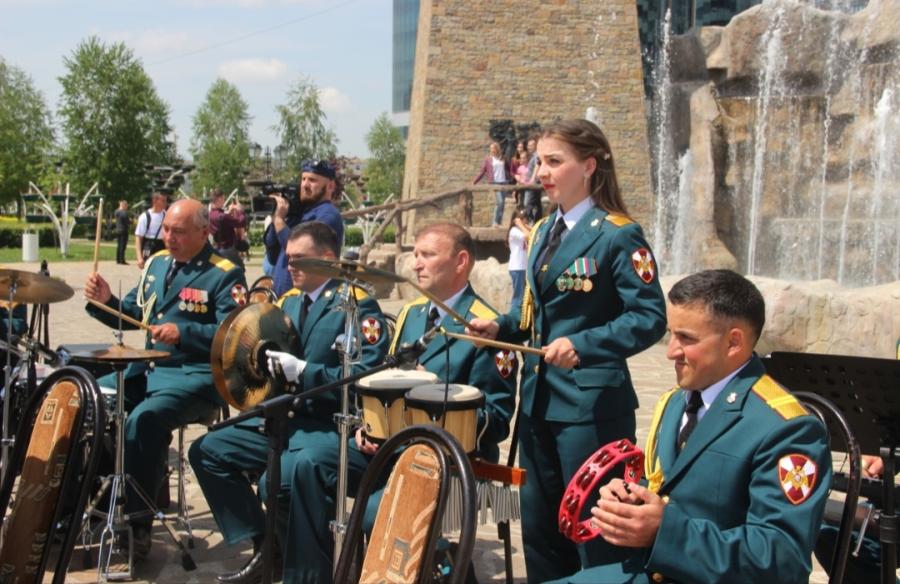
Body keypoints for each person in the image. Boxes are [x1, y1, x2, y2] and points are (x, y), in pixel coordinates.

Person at [467, 118, 667, 582]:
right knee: (540, 533)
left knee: (595, 534)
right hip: (538, 403)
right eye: (540, 162)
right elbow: (531, 311)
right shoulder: (541, 232)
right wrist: (499, 325)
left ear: (589, 166)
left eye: (554, 162)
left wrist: (583, 344)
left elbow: (650, 317)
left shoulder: (618, 234)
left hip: (590, 409)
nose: (541, 172)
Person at [548, 269, 832, 583]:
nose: (671, 352)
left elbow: (782, 560)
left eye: (686, 338)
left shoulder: (786, 429)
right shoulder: (675, 402)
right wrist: (632, 498)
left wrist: (662, 530)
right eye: (671, 335)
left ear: (733, 342)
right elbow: (672, 487)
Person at [281, 221, 516, 584]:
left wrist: (436, 393)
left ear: (460, 262)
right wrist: (366, 425)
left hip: (448, 460)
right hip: (389, 449)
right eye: (415, 254)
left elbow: (496, 419)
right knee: (306, 463)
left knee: (376, 511)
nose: (416, 264)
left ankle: (444, 565)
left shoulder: (486, 327)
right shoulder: (411, 315)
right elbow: (380, 385)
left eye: (428, 255)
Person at [189, 221, 390, 584]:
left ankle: (310, 574)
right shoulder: (288, 302)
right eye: (288, 257)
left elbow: (366, 377)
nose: (290, 265)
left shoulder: (356, 305)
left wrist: (306, 372)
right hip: (284, 418)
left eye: (299, 258)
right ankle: (268, 545)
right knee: (207, 450)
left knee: (285, 476)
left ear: (328, 258)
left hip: (326, 423)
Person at [84, 199, 247, 557]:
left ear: (204, 232)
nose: (169, 238)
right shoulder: (157, 263)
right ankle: (89, 505)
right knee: (89, 400)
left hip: (194, 378)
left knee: (144, 419)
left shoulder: (225, 273)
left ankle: (136, 524)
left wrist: (184, 333)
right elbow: (133, 313)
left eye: (179, 232)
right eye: (166, 230)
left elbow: (235, 335)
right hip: (146, 370)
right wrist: (106, 299)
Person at [264, 160, 345, 297]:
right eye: (303, 179)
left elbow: (300, 249)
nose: (305, 185)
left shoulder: (328, 215)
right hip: (283, 299)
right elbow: (272, 257)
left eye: (312, 180)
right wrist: (276, 215)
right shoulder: (298, 214)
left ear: (330, 186)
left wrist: (279, 221)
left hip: (307, 299)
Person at [473, 141, 512, 228]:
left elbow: (509, 169)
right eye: (490, 149)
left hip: (504, 182)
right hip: (495, 182)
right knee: (500, 202)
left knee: (502, 203)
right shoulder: (488, 160)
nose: (492, 150)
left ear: (497, 149)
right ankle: (495, 222)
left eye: (493, 148)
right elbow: (482, 172)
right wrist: (474, 182)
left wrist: (511, 178)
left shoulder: (503, 158)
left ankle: (499, 223)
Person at [209, 189, 247, 270]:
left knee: (224, 271)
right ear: (219, 199)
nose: (224, 201)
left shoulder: (210, 215)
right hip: (228, 250)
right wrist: (240, 210)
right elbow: (241, 222)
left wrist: (228, 212)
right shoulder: (223, 216)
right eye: (223, 199)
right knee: (240, 271)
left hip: (217, 249)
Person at [134, 190, 168, 269]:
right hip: (149, 246)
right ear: (154, 200)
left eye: (165, 200)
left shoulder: (167, 215)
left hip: (162, 246)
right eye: (163, 200)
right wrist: (139, 257)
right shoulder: (145, 216)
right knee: (148, 269)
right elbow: (138, 237)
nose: (165, 203)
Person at [507, 208, 531, 309]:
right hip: (517, 267)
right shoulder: (514, 231)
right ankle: (514, 315)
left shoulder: (521, 229)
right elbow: (528, 236)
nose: (525, 220)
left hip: (523, 267)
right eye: (522, 218)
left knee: (523, 296)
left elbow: (535, 232)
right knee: (518, 297)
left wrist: (525, 226)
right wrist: (521, 225)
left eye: (525, 218)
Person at [522, 137, 543, 222]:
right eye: (528, 145)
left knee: (528, 203)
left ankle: (529, 221)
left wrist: (532, 179)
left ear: (536, 145)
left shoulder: (537, 155)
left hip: (534, 183)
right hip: (534, 182)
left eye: (531, 145)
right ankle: (537, 221)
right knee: (537, 203)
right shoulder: (533, 156)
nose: (529, 147)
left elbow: (537, 166)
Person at [114, 200, 131, 265]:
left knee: (119, 245)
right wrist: (130, 221)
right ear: (123, 205)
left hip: (118, 229)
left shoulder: (116, 211)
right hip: (124, 230)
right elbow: (127, 221)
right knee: (123, 246)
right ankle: (122, 260)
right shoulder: (124, 213)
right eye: (126, 205)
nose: (127, 207)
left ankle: (118, 259)